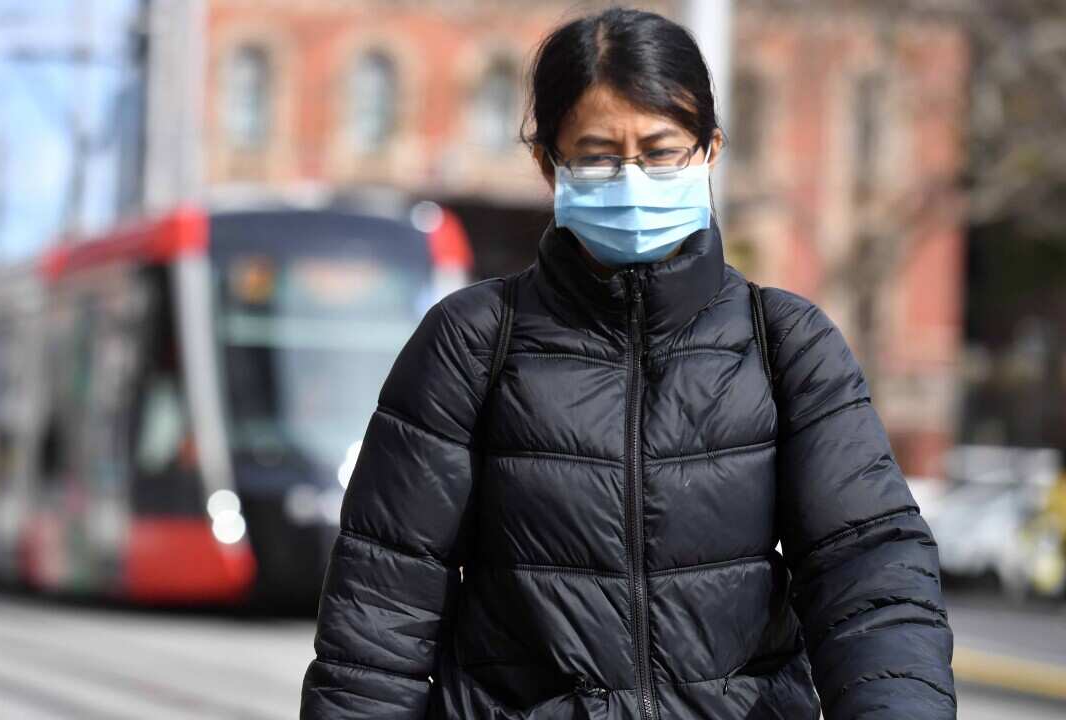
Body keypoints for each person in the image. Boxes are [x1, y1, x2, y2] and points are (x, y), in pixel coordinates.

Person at [300, 7, 956, 719]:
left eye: (661, 149)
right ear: (547, 163)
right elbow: (382, 603)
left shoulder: (786, 343)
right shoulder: (471, 341)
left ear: (709, 149)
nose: (632, 178)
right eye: (598, 154)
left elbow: (869, 571)